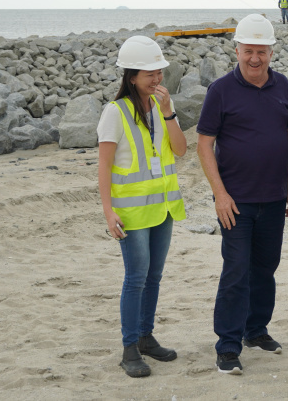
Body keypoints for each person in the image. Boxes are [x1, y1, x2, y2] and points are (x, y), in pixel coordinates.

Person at [196, 14, 288, 375]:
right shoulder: (220, 90)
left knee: (265, 269)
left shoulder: (283, 85)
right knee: (236, 270)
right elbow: (205, 145)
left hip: (273, 199)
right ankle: (227, 345)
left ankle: (256, 330)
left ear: (272, 52)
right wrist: (220, 196)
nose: (255, 58)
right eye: (248, 50)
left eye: (262, 51)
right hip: (235, 201)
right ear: (236, 49)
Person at [97, 35, 187, 378]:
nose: (157, 78)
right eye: (150, 73)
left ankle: (146, 338)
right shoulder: (115, 112)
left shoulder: (161, 108)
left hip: (162, 209)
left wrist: (168, 113)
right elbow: (103, 166)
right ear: (131, 76)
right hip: (132, 212)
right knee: (135, 278)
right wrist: (108, 211)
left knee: (154, 276)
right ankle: (129, 347)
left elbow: (180, 150)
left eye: (159, 72)